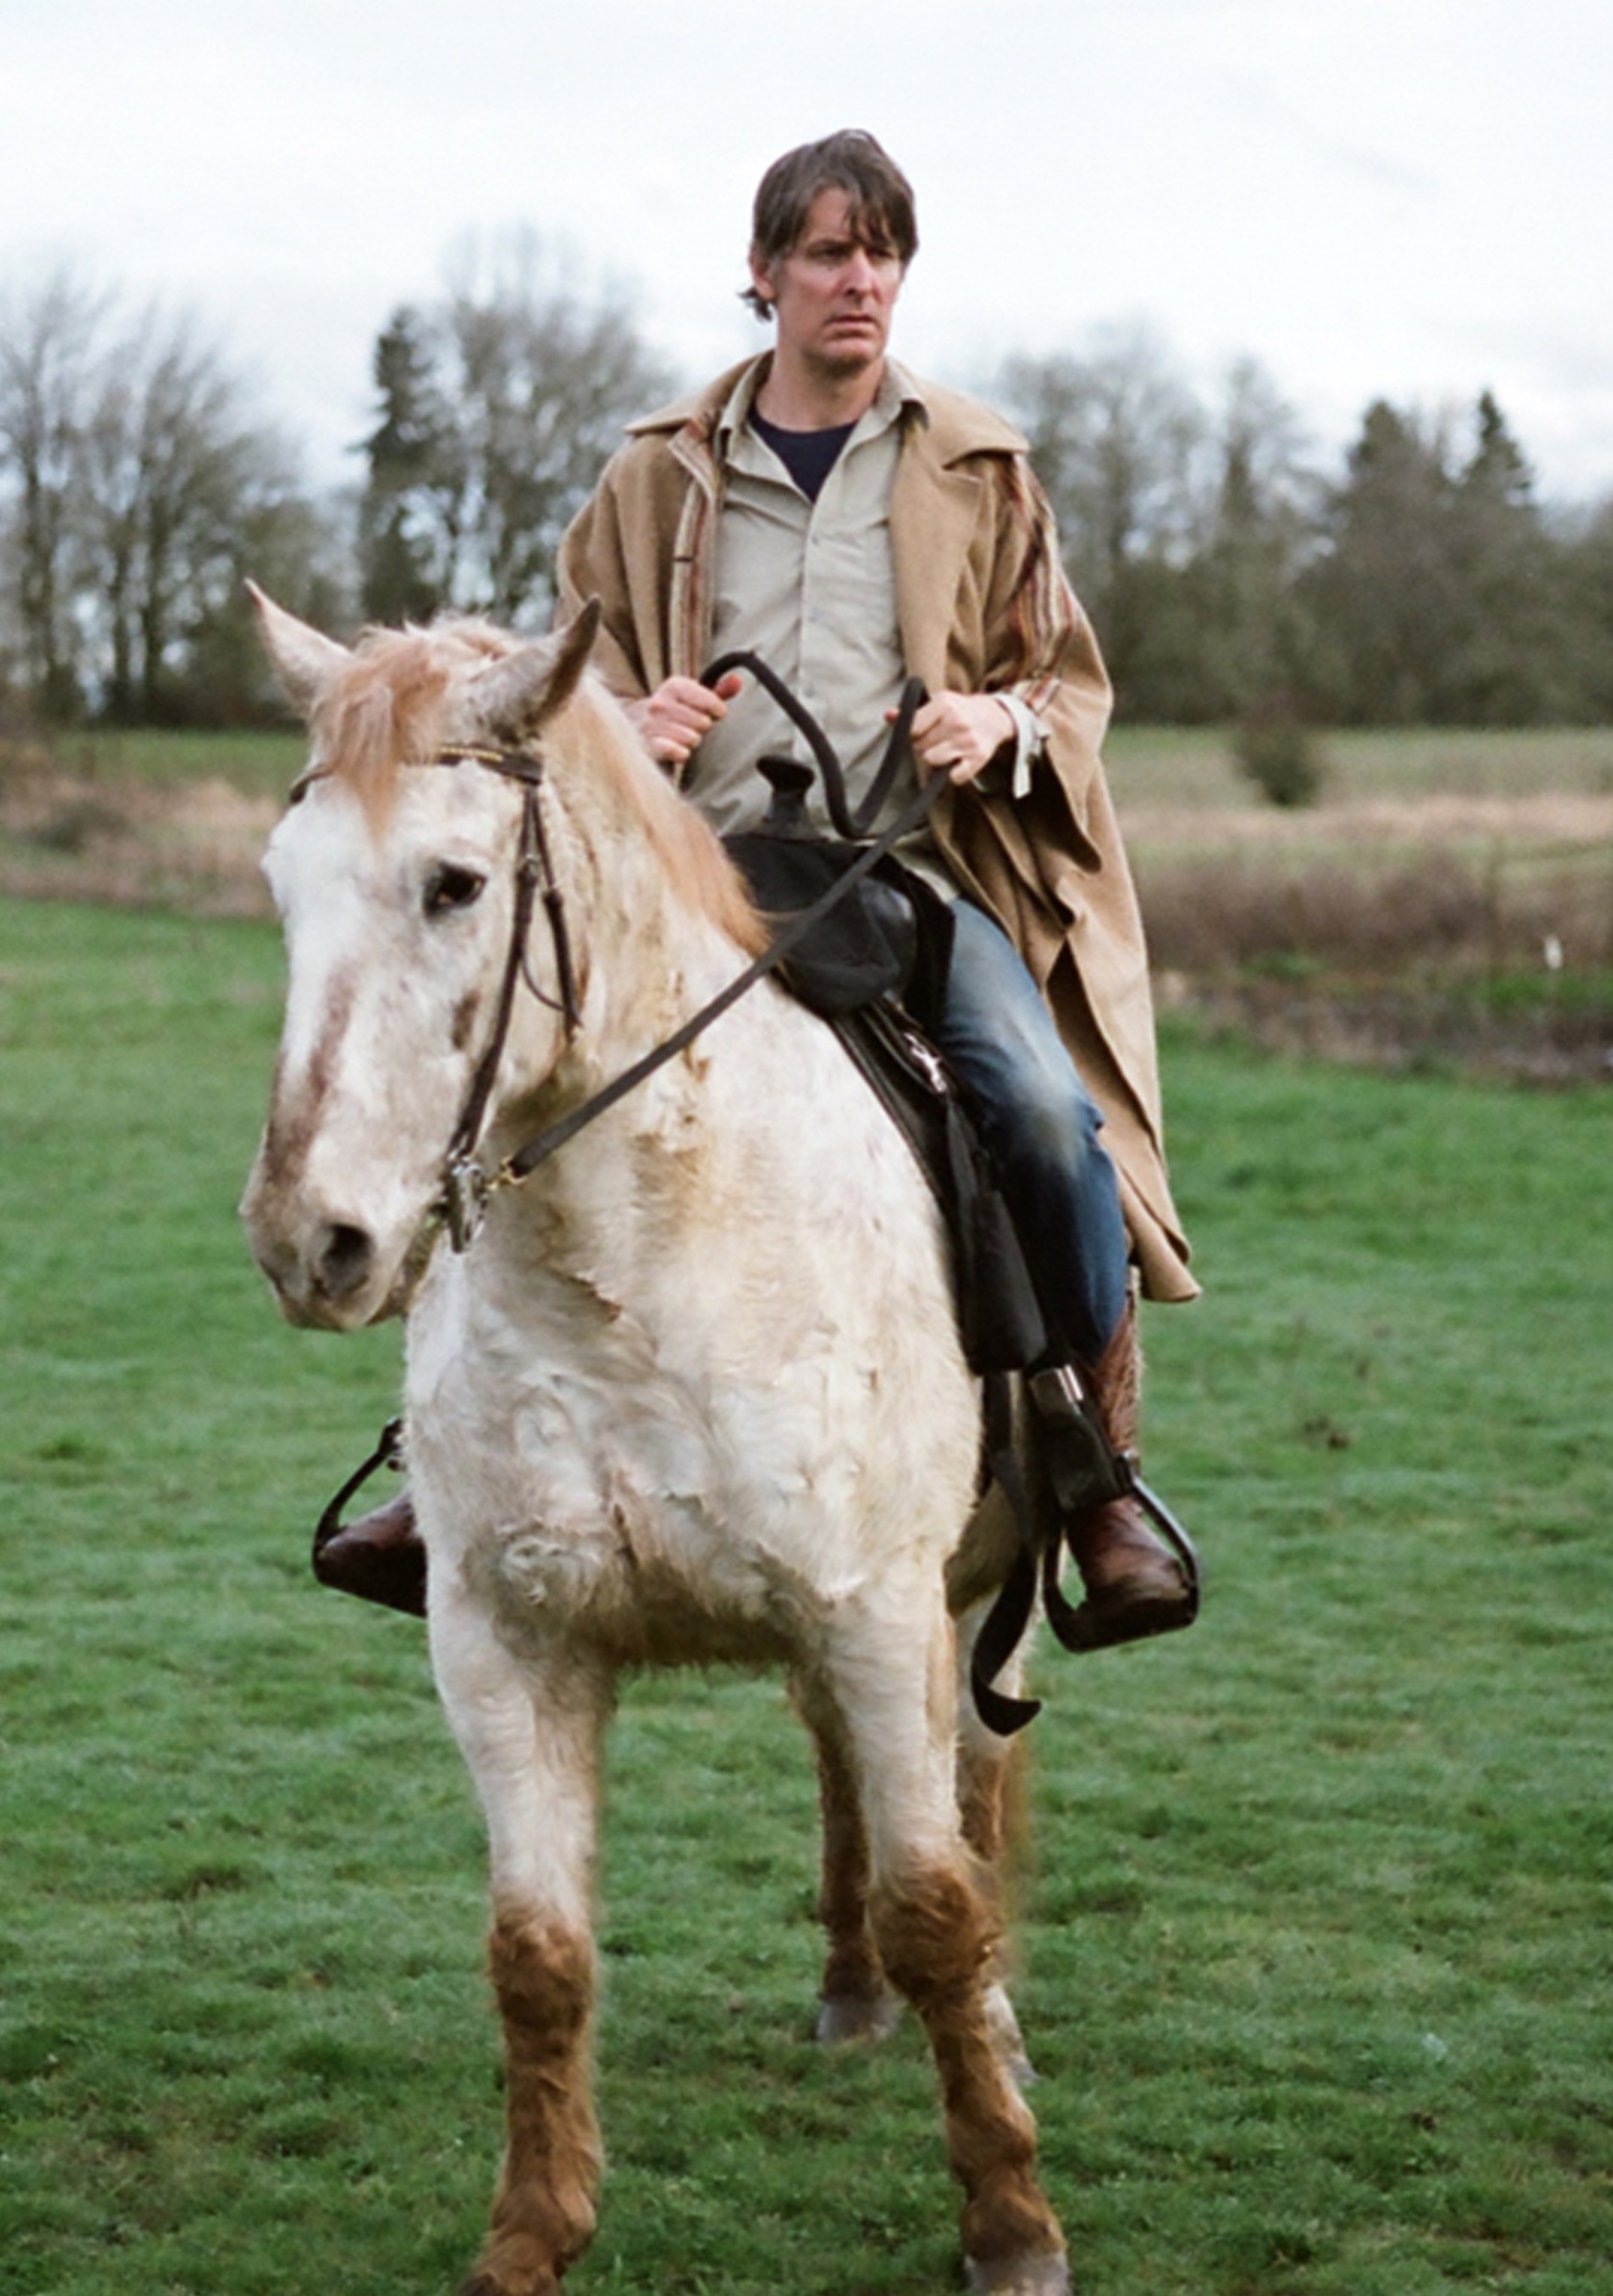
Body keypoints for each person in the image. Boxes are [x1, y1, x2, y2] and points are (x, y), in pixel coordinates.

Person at [317, 129, 1198, 1646]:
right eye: (829, 252)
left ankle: (1093, 1473)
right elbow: (552, 689)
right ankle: (436, 1463)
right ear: (765, 273)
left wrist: (995, 723)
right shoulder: (653, 474)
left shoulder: (981, 470)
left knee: (1050, 1121)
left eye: (883, 254)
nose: (861, 280)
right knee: (506, 1088)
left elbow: (1069, 683)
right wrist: (625, 723)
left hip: (905, 884)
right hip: (689, 893)